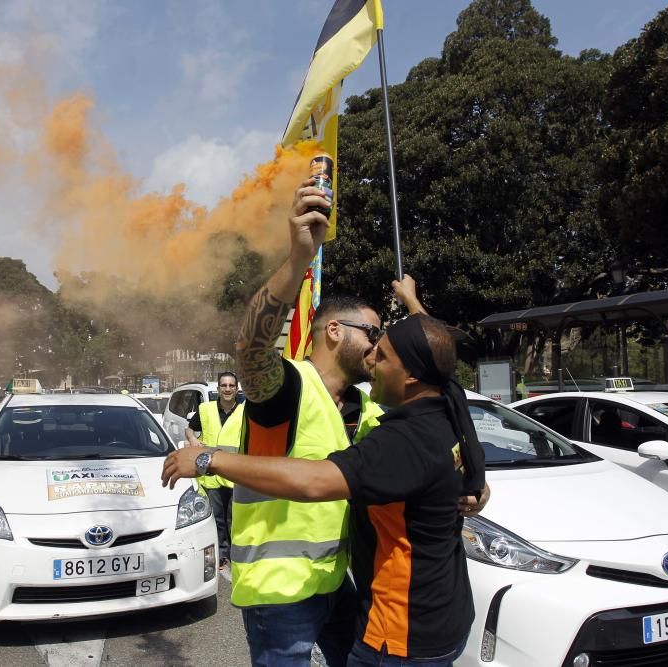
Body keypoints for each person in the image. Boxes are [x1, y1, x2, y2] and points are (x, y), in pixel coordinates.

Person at [173, 178, 485, 667]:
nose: (383, 345)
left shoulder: (372, 404)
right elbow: (252, 349)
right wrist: (299, 258)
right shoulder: (288, 387)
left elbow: (441, 380)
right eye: (376, 333)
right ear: (335, 331)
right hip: (282, 598)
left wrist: (463, 486)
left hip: (339, 584)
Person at [185, 372, 243, 568]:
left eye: (231, 385)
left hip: (235, 473)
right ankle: (222, 553)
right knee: (217, 517)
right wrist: (193, 439)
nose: (227, 389)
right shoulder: (206, 409)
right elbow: (190, 429)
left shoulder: (245, 412)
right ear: (218, 389)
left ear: (236, 389)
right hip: (211, 472)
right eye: (224, 385)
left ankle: (237, 552)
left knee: (235, 517)